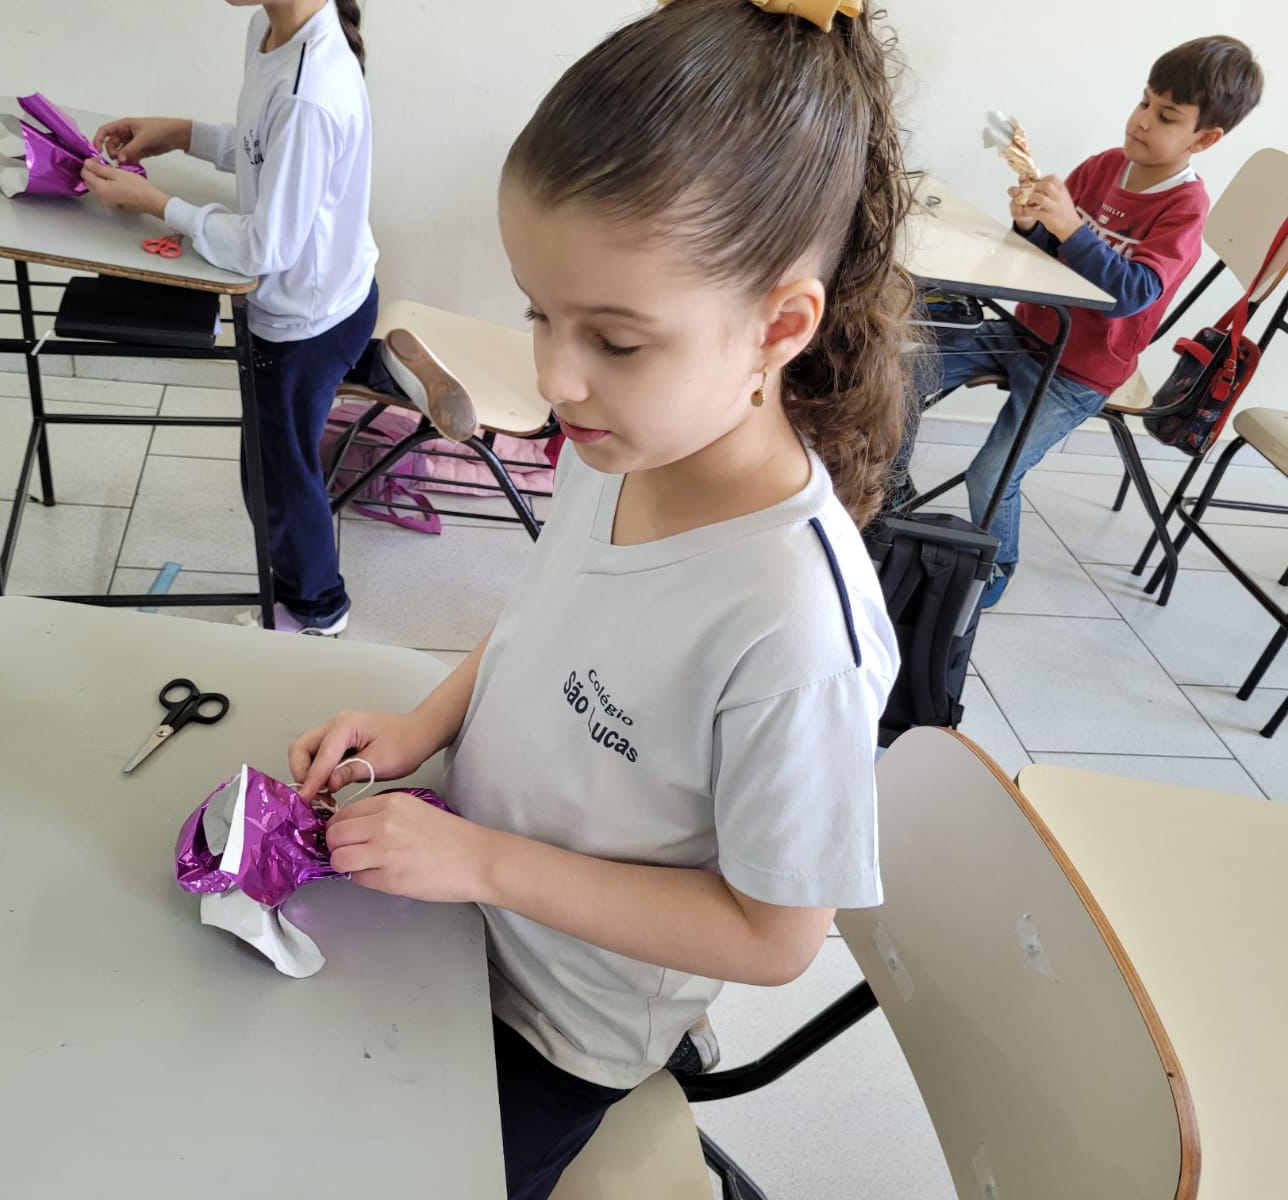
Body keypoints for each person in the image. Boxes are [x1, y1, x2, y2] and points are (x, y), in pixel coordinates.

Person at [287, 1, 912, 1195]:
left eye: (616, 342)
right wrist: (423, 724)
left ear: (777, 326)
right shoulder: (615, 445)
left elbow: (774, 936)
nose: (555, 377)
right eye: (540, 312)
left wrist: (482, 863)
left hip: (555, 1024)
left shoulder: (796, 627)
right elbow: (543, 625)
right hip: (453, 915)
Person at [904, 35, 1264, 608]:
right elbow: (1046, 257)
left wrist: (1071, 227)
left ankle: (993, 572)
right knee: (895, 373)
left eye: (1166, 116)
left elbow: (1131, 294)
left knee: (991, 475)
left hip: (1081, 370)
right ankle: (892, 497)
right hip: (1026, 332)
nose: (1142, 120)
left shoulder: (1185, 209)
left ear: (1204, 139)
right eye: (1144, 101)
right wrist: (1032, 225)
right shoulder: (1102, 168)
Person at [81, 0, 377, 635]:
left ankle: (318, 609)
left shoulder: (310, 92)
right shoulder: (269, 30)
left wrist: (160, 204)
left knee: (274, 476)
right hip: (323, 296)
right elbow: (261, 152)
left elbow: (267, 248)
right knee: (275, 464)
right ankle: (310, 593)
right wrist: (183, 133)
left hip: (304, 322)